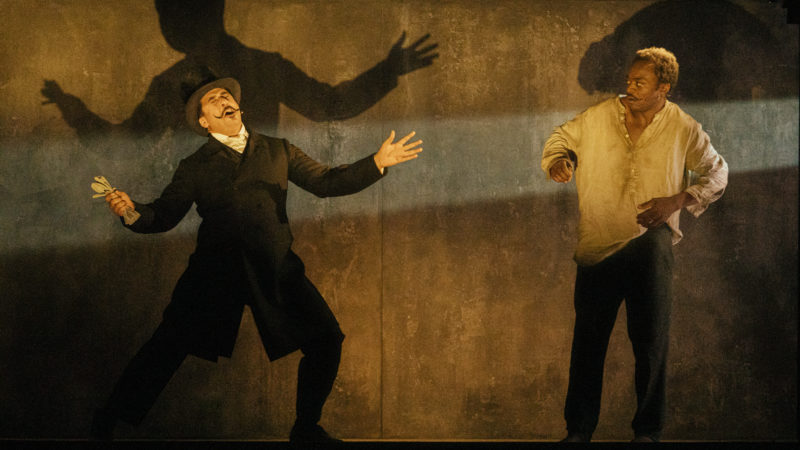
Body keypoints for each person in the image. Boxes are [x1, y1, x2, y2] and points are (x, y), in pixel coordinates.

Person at [91, 76, 423, 444]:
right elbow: (164, 215)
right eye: (213, 100)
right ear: (204, 121)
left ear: (239, 107)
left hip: (274, 269)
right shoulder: (195, 165)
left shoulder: (278, 150)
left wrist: (376, 163)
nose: (223, 100)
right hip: (215, 273)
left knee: (326, 339)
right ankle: (108, 420)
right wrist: (132, 213)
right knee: (167, 345)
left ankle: (305, 430)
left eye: (226, 95)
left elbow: (326, 182)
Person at [541, 47, 728, 443]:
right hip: (598, 245)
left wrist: (676, 201)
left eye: (640, 82)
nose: (630, 87)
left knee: (651, 345)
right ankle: (578, 432)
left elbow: (717, 173)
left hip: (650, 247)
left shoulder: (683, 127)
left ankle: (647, 432)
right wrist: (559, 159)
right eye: (629, 80)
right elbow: (560, 137)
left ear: (664, 87)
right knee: (588, 344)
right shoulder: (599, 117)